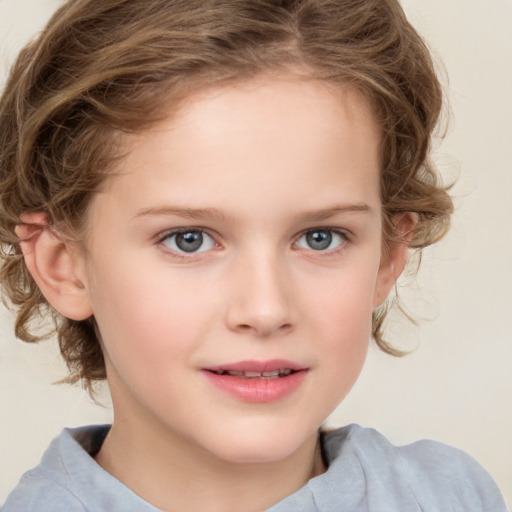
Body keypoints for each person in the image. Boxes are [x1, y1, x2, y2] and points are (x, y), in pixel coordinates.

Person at [0, 0, 507, 510]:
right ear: (61, 264)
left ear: (387, 257)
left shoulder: (451, 497)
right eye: (188, 239)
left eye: (320, 238)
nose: (265, 310)